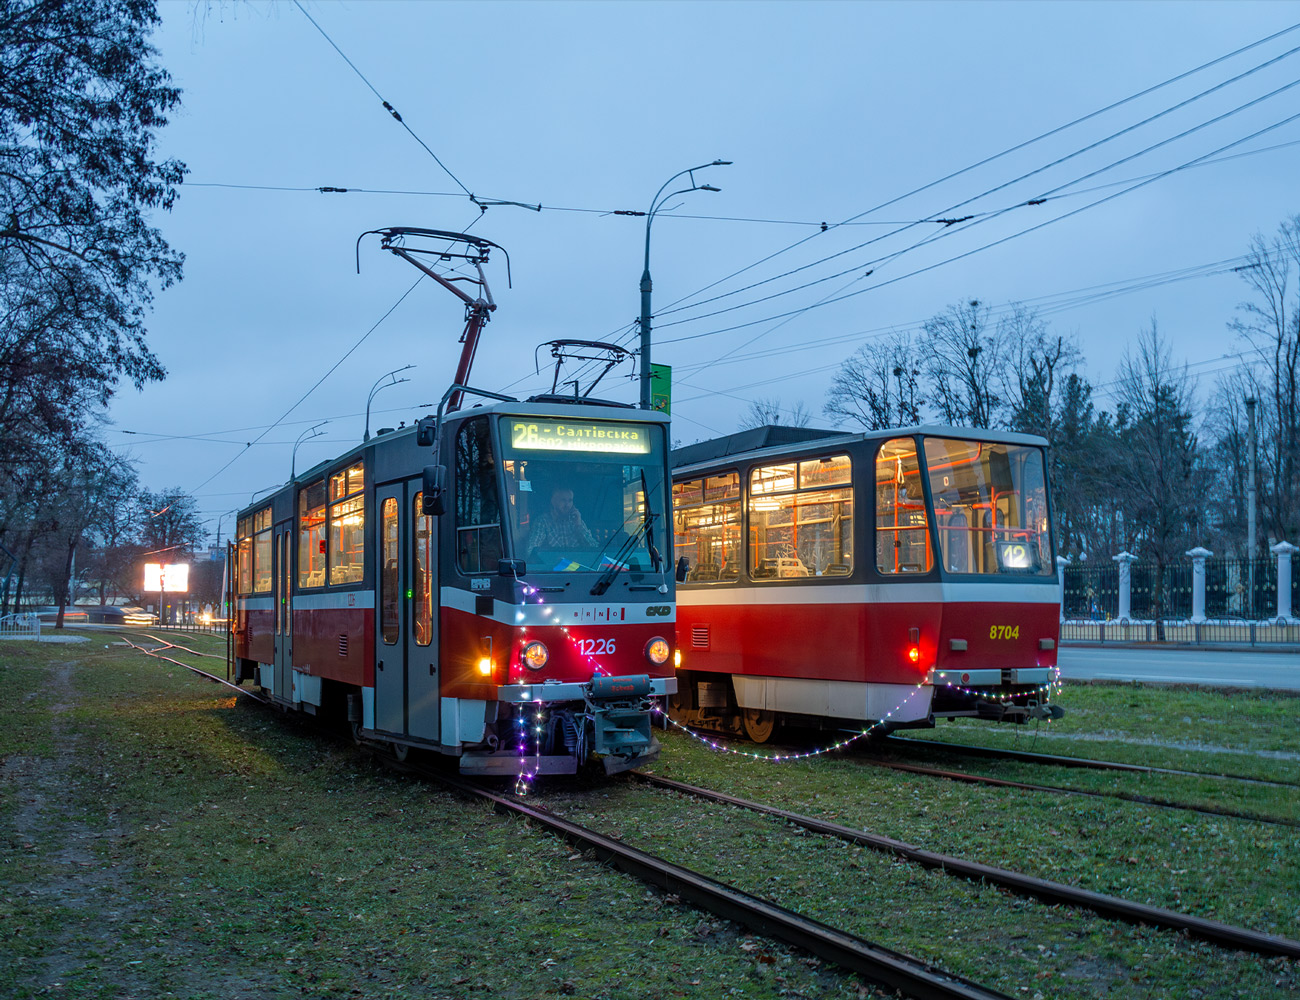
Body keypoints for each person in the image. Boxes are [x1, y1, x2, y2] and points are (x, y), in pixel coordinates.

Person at [525, 486, 596, 552]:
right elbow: (531, 550)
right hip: (552, 564)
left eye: (570, 500)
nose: (567, 505)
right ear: (553, 501)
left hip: (577, 563)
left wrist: (578, 526)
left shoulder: (577, 520)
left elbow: (594, 549)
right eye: (563, 500)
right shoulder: (542, 522)